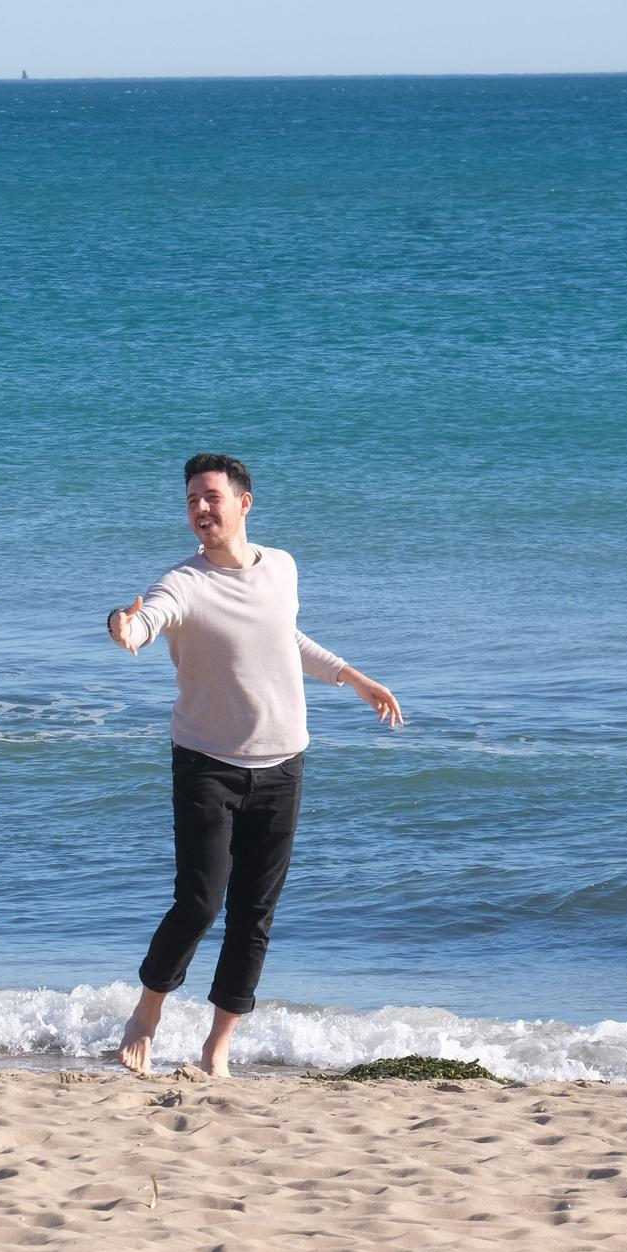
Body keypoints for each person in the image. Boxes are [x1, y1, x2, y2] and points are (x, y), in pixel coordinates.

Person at [108, 454, 402, 1077]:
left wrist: (351, 677)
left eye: (210, 496)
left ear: (245, 503)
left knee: (254, 915)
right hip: (205, 764)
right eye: (191, 500)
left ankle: (217, 1049)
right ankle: (147, 1015)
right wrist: (123, 624)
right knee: (198, 902)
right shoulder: (182, 584)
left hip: (283, 765)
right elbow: (145, 623)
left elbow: (284, 638)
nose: (200, 509)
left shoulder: (283, 567)